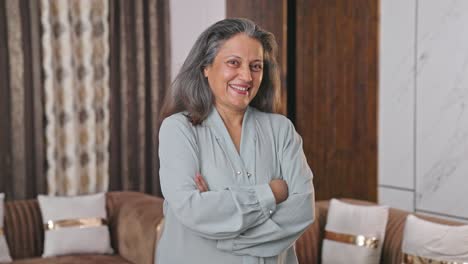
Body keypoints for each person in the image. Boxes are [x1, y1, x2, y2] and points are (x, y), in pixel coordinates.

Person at [157, 18, 315, 264]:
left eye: (256, 66)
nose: (246, 76)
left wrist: (224, 228)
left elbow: (302, 209)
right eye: (233, 63)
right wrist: (273, 193)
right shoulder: (178, 130)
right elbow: (191, 209)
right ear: (205, 67)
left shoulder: (282, 130)